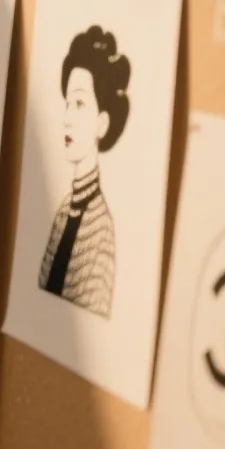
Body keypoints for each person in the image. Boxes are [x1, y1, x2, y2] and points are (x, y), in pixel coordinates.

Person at [37, 25, 129, 317]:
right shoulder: (63, 212)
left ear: (102, 122)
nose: (66, 118)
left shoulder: (101, 229)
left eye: (79, 103)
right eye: (67, 103)